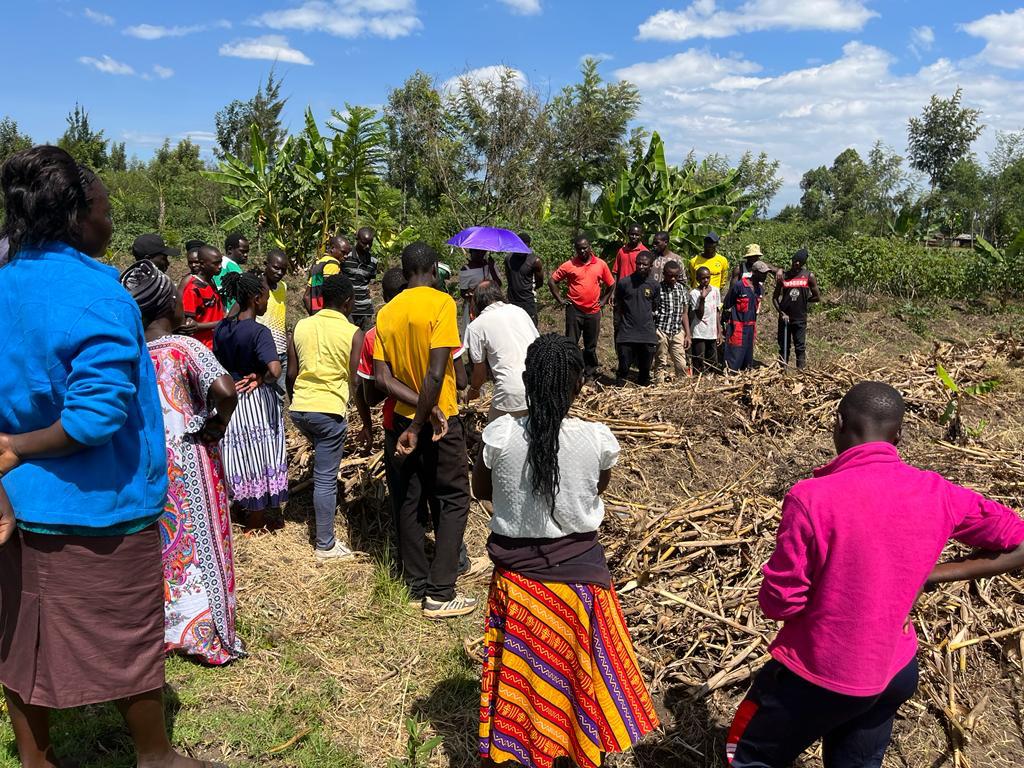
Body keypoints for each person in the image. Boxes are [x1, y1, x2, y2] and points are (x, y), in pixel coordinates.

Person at [0, 145, 211, 768]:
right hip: (97, 507)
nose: (111, 222)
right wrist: (15, 447)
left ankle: (36, 758)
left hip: (18, 511)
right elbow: (95, 418)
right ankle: (155, 754)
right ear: (75, 216)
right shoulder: (100, 294)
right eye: (104, 209)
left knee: (19, 636)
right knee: (128, 632)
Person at [727, 382, 1024, 768]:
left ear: (838, 423)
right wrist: (931, 574)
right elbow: (1018, 542)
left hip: (823, 670)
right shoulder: (937, 492)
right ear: (898, 435)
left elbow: (779, 603)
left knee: (750, 755)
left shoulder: (812, 498)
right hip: (895, 669)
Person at [473, 333, 660, 768]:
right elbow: (596, 489)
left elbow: (482, 490)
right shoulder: (596, 439)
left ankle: (520, 749)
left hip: (518, 588)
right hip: (579, 589)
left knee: (527, 686)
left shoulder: (499, 434)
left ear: (526, 381)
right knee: (576, 684)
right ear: (578, 385)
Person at [121, 260, 245, 666]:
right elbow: (226, 390)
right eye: (176, 296)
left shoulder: (131, 354)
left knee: (164, 548)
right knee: (203, 540)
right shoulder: (184, 347)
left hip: (149, 465)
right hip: (190, 460)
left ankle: (167, 630)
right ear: (164, 306)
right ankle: (209, 634)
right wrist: (215, 425)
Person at [373, 242, 475, 619]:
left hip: (402, 418)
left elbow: (382, 379)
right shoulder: (441, 304)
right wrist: (425, 416)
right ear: (433, 270)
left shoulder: (386, 312)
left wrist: (414, 413)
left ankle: (416, 585)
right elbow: (437, 372)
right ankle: (441, 592)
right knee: (452, 499)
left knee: (409, 500)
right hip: (439, 421)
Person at [288, 274, 366, 561]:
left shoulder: (302, 325)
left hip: (300, 410)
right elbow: (357, 381)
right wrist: (362, 416)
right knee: (325, 479)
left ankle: (323, 534)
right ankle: (325, 544)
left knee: (321, 466)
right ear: (348, 302)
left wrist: (297, 400)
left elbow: (291, 374)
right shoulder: (353, 333)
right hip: (329, 411)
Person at [214, 271, 288, 531]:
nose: (267, 302)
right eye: (265, 298)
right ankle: (256, 520)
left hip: (231, 398)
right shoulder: (259, 331)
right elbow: (276, 370)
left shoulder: (222, 327)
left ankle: (241, 508)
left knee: (239, 454)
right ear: (256, 299)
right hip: (255, 400)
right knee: (260, 455)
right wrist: (262, 377)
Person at [464, 280, 539, 421]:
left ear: (477, 302)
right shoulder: (519, 311)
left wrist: (473, 391)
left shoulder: (476, 326)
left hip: (511, 391)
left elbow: (480, 372)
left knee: (494, 434)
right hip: (539, 384)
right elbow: (539, 345)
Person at [548, 235, 614, 380]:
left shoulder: (600, 264)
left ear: (590, 247)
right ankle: (571, 371)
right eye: (579, 249)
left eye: (585, 248)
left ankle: (590, 372)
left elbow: (611, 284)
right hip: (574, 310)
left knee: (591, 346)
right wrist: (560, 299)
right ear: (576, 250)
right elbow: (552, 281)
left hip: (593, 311)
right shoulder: (569, 265)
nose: (582, 251)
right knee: (571, 343)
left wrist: (603, 300)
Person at [614, 251, 661, 386]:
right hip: (627, 332)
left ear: (651, 266)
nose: (641, 266)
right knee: (623, 368)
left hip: (646, 333)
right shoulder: (624, 283)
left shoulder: (654, 285)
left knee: (645, 371)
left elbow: (654, 306)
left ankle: (642, 396)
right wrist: (619, 326)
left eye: (644, 264)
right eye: (638, 263)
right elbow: (619, 306)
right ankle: (619, 391)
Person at [774, 248, 821, 369]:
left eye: (800, 262)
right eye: (795, 260)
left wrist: (805, 301)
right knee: (784, 347)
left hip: (800, 318)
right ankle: (782, 372)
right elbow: (774, 298)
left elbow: (817, 297)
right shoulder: (784, 276)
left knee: (800, 346)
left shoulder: (808, 276)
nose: (797, 263)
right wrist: (781, 313)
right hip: (785, 318)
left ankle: (801, 374)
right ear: (792, 260)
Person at [723, 261, 770, 372]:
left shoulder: (760, 289)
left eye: (766, 273)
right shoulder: (740, 285)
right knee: (734, 356)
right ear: (753, 272)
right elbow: (727, 303)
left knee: (747, 359)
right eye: (762, 273)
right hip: (738, 326)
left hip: (751, 327)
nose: (765, 276)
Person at [654, 260, 692, 381]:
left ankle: (681, 386)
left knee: (681, 363)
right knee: (661, 361)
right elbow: (653, 310)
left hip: (677, 331)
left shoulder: (681, 289)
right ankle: (659, 385)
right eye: (670, 276)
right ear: (664, 274)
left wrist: (688, 334)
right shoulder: (658, 289)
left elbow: (684, 313)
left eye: (676, 276)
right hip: (661, 330)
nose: (673, 278)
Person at [257, 249, 290, 391]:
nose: (279, 273)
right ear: (266, 264)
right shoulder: (257, 286)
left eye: (283, 270)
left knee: (280, 394)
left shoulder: (283, 287)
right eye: (276, 268)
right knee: (261, 393)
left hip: (281, 349)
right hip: (263, 351)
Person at [181, 244, 226, 350]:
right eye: (215, 263)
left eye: (220, 262)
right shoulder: (193, 289)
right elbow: (190, 326)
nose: (220, 266)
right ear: (202, 264)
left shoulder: (211, 282)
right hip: (203, 347)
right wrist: (222, 323)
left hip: (217, 342)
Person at [344, 226, 380, 331]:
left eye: (370, 243)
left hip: (365, 309)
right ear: (357, 240)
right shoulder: (346, 257)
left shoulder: (373, 262)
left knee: (366, 341)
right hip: (348, 309)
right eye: (364, 243)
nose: (367, 246)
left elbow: (369, 283)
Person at [504, 232, 543, 325]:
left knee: (531, 328)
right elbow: (509, 277)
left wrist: (526, 288)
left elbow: (540, 282)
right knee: (514, 328)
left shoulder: (535, 261)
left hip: (528, 301)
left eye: (524, 246)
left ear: (528, 245)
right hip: (513, 301)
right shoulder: (509, 258)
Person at [305, 235, 351, 314]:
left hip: (317, 313)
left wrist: (314, 315)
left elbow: (306, 297)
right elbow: (331, 293)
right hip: (329, 314)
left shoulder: (318, 263)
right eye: (343, 252)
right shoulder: (333, 264)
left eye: (347, 253)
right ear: (332, 249)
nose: (346, 256)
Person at [458, 248, 501, 333]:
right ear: (471, 252)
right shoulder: (466, 270)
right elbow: (463, 293)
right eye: (477, 252)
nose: (480, 254)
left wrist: (491, 268)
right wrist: (477, 293)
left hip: (490, 304)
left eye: (482, 251)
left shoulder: (489, 265)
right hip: (474, 306)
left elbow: (498, 284)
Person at [690, 265, 722, 374]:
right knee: (699, 360)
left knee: (712, 361)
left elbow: (717, 312)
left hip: (711, 332)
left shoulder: (715, 291)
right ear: (698, 279)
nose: (706, 280)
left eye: (708, 277)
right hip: (699, 331)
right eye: (703, 278)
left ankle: (711, 383)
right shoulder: (694, 293)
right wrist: (702, 298)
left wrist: (719, 331)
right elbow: (699, 315)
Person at [213, 233, 247, 312]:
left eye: (247, 252)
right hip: (231, 311)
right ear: (230, 249)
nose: (245, 255)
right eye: (242, 251)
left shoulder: (220, 263)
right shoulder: (231, 266)